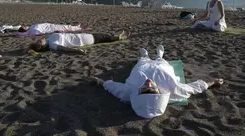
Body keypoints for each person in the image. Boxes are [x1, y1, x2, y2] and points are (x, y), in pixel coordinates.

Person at [89, 45, 224, 118]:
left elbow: (112, 87)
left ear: (139, 93)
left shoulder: (128, 93)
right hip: (161, 68)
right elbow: (195, 87)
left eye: (144, 89)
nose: (148, 84)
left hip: (142, 68)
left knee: (142, 62)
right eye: (152, 89)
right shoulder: (174, 90)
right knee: (161, 62)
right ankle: (159, 56)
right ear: (159, 93)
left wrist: (99, 81)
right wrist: (213, 82)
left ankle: (145, 56)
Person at [29, 30, 131, 54]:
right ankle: (118, 38)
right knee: (101, 37)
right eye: (39, 42)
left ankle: (117, 37)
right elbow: (64, 49)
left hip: (81, 36)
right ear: (43, 46)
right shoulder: (52, 45)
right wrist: (77, 51)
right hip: (83, 40)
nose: (39, 39)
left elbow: (31, 48)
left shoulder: (49, 38)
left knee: (101, 35)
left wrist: (30, 49)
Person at [18, 22, 87, 36]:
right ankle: (78, 27)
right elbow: (41, 32)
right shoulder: (32, 30)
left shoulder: (31, 27)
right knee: (64, 27)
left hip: (50, 25)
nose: (25, 25)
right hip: (51, 28)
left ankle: (77, 27)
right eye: (24, 27)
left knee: (64, 26)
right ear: (25, 29)